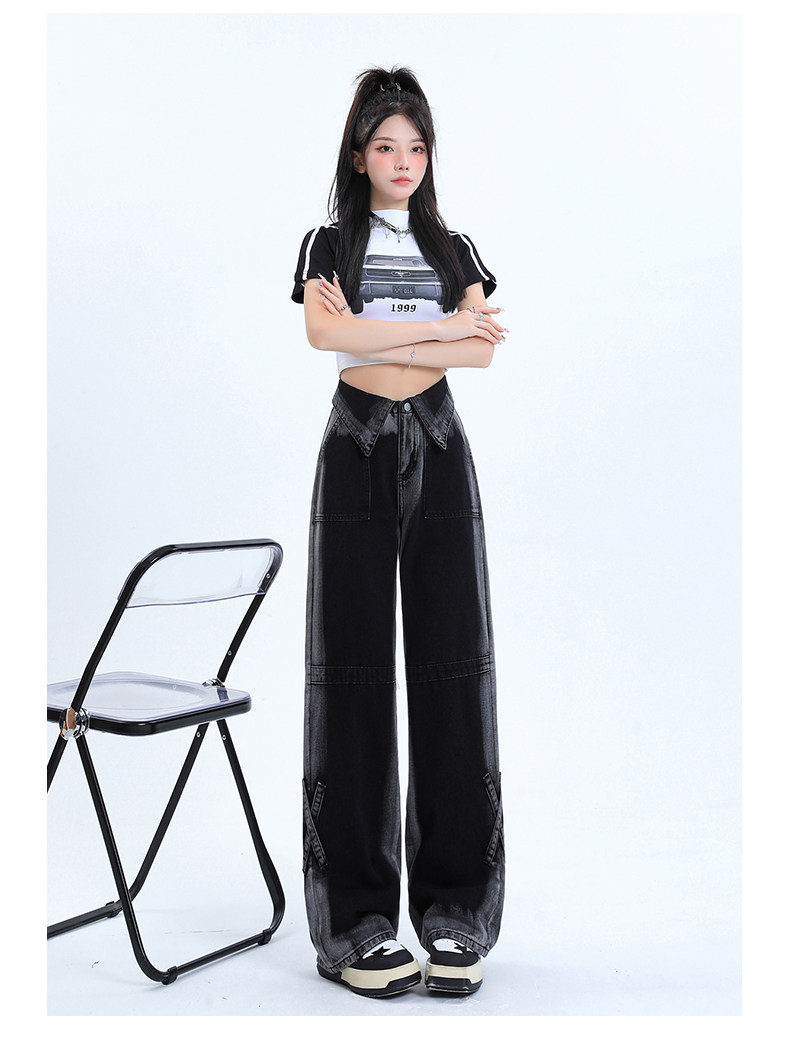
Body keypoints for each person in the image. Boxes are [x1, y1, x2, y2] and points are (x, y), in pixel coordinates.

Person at [292, 66, 506, 999]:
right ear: (358, 156)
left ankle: (456, 915)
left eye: (416, 146)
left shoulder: (452, 244)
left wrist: (376, 331)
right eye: (385, 146)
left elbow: (481, 352)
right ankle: (357, 926)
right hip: (358, 445)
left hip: (441, 444)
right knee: (351, 673)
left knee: (454, 670)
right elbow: (321, 340)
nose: (403, 161)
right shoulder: (327, 242)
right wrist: (436, 333)